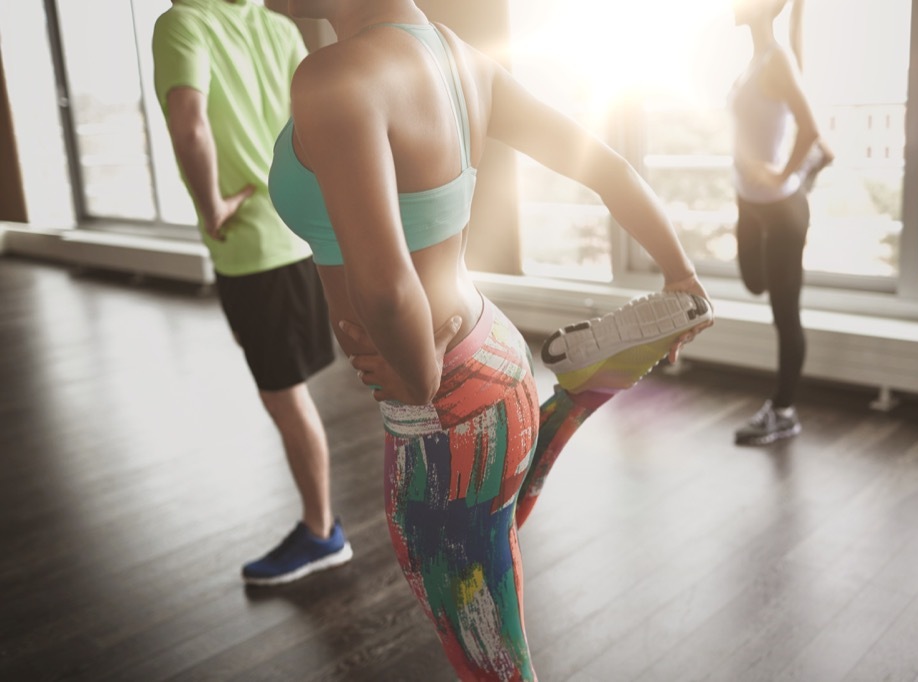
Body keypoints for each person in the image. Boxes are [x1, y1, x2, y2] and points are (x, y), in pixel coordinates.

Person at [270, 0, 712, 677]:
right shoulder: (458, 55)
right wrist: (681, 276)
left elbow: (387, 290)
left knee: (490, 659)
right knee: (486, 529)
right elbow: (607, 166)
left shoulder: (334, 77)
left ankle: (583, 388)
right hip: (492, 355)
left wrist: (418, 391)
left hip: (438, 390)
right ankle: (584, 384)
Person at [152, 0, 353, 586]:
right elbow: (312, 125)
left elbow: (188, 124)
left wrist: (212, 204)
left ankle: (322, 533)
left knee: (284, 395)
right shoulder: (279, 26)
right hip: (301, 233)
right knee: (294, 388)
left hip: (255, 249)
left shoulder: (182, 23)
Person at [729, 0, 833, 446]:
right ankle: (814, 169)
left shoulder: (775, 60)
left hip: (780, 210)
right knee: (754, 281)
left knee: (784, 315)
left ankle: (784, 411)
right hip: (748, 201)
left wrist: (783, 173)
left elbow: (808, 125)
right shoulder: (757, 58)